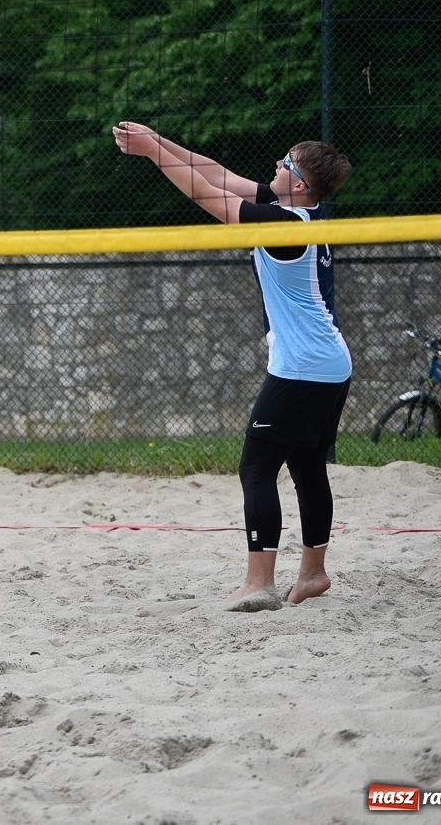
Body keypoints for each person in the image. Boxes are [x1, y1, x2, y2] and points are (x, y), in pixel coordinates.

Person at [111, 122, 352, 612]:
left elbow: (204, 192)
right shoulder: (299, 211)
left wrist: (152, 155)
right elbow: (215, 172)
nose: (275, 168)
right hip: (329, 363)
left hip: (303, 366)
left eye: (284, 164)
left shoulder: (282, 226)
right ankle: (312, 573)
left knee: (257, 467)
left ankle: (258, 584)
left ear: (300, 184)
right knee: (307, 467)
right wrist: (157, 142)